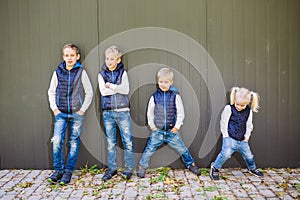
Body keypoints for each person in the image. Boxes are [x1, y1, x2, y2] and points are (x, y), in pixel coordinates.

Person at [137, 67, 200, 178]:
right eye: (161, 82)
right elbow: (149, 113)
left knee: (182, 148)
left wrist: (177, 126)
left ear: (171, 82)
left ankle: (191, 164)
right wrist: (152, 126)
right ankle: (142, 166)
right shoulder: (155, 97)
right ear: (158, 82)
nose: (163, 84)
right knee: (149, 149)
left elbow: (181, 112)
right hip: (158, 131)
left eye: (166, 82)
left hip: (172, 131)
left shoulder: (175, 96)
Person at [47, 43, 93, 185]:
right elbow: (51, 91)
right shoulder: (58, 72)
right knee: (56, 140)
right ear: (63, 57)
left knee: (73, 142)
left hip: (76, 113)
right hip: (60, 113)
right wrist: (55, 109)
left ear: (77, 57)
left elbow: (89, 92)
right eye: (67, 55)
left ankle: (68, 172)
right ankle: (58, 171)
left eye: (72, 55)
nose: (69, 58)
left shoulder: (81, 72)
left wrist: (82, 110)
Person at [210, 87, 263, 180]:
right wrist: (226, 136)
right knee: (225, 154)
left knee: (249, 156)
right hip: (230, 137)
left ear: (247, 103)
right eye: (237, 104)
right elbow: (224, 123)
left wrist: (246, 138)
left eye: (242, 105)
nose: (239, 107)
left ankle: (252, 168)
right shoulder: (229, 108)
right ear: (234, 100)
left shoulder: (249, 111)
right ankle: (215, 167)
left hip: (242, 140)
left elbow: (249, 125)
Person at [98, 45, 134, 181]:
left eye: (112, 59)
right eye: (107, 58)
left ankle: (129, 169)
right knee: (111, 142)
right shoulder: (101, 74)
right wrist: (117, 88)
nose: (109, 61)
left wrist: (112, 86)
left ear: (118, 60)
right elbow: (103, 92)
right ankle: (112, 168)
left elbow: (125, 90)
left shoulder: (123, 73)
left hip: (123, 111)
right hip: (108, 112)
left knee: (127, 141)